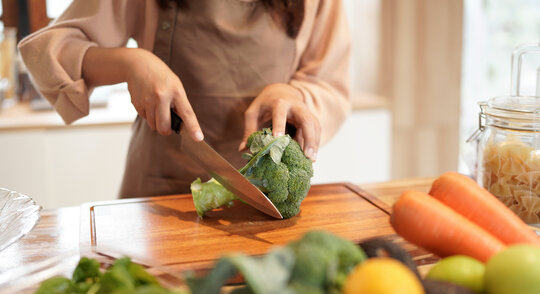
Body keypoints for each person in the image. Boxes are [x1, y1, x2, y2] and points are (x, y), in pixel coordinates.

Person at [18, 0, 350, 198]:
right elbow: (47, 52)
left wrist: (293, 94)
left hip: (267, 196)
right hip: (158, 191)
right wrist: (131, 63)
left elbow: (329, 83)